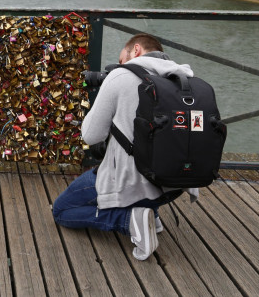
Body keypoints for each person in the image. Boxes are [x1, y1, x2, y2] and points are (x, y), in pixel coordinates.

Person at [52, 34, 197, 261]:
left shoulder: (121, 76)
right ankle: (152, 215)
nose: (120, 65)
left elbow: (90, 135)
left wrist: (107, 92)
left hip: (130, 183)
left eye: (122, 59)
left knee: (61, 211)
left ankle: (129, 220)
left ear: (135, 50)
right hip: (177, 184)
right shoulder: (184, 77)